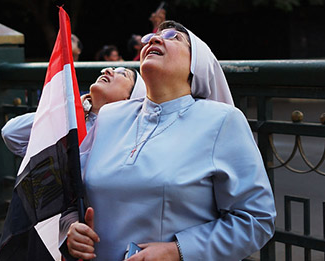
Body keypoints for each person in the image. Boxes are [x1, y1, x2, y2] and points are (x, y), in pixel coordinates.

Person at [67, 21, 276, 260]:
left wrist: (177, 250)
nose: (154, 40)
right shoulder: (109, 116)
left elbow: (256, 220)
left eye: (173, 37)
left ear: (196, 65)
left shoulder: (222, 121)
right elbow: (74, 192)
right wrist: (71, 229)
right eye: (151, 37)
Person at [1, 67, 146, 157]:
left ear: (129, 99)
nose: (107, 70)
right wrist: (68, 111)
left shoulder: (125, 141)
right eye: (113, 69)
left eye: (123, 73)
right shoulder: (69, 123)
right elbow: (12, 133)